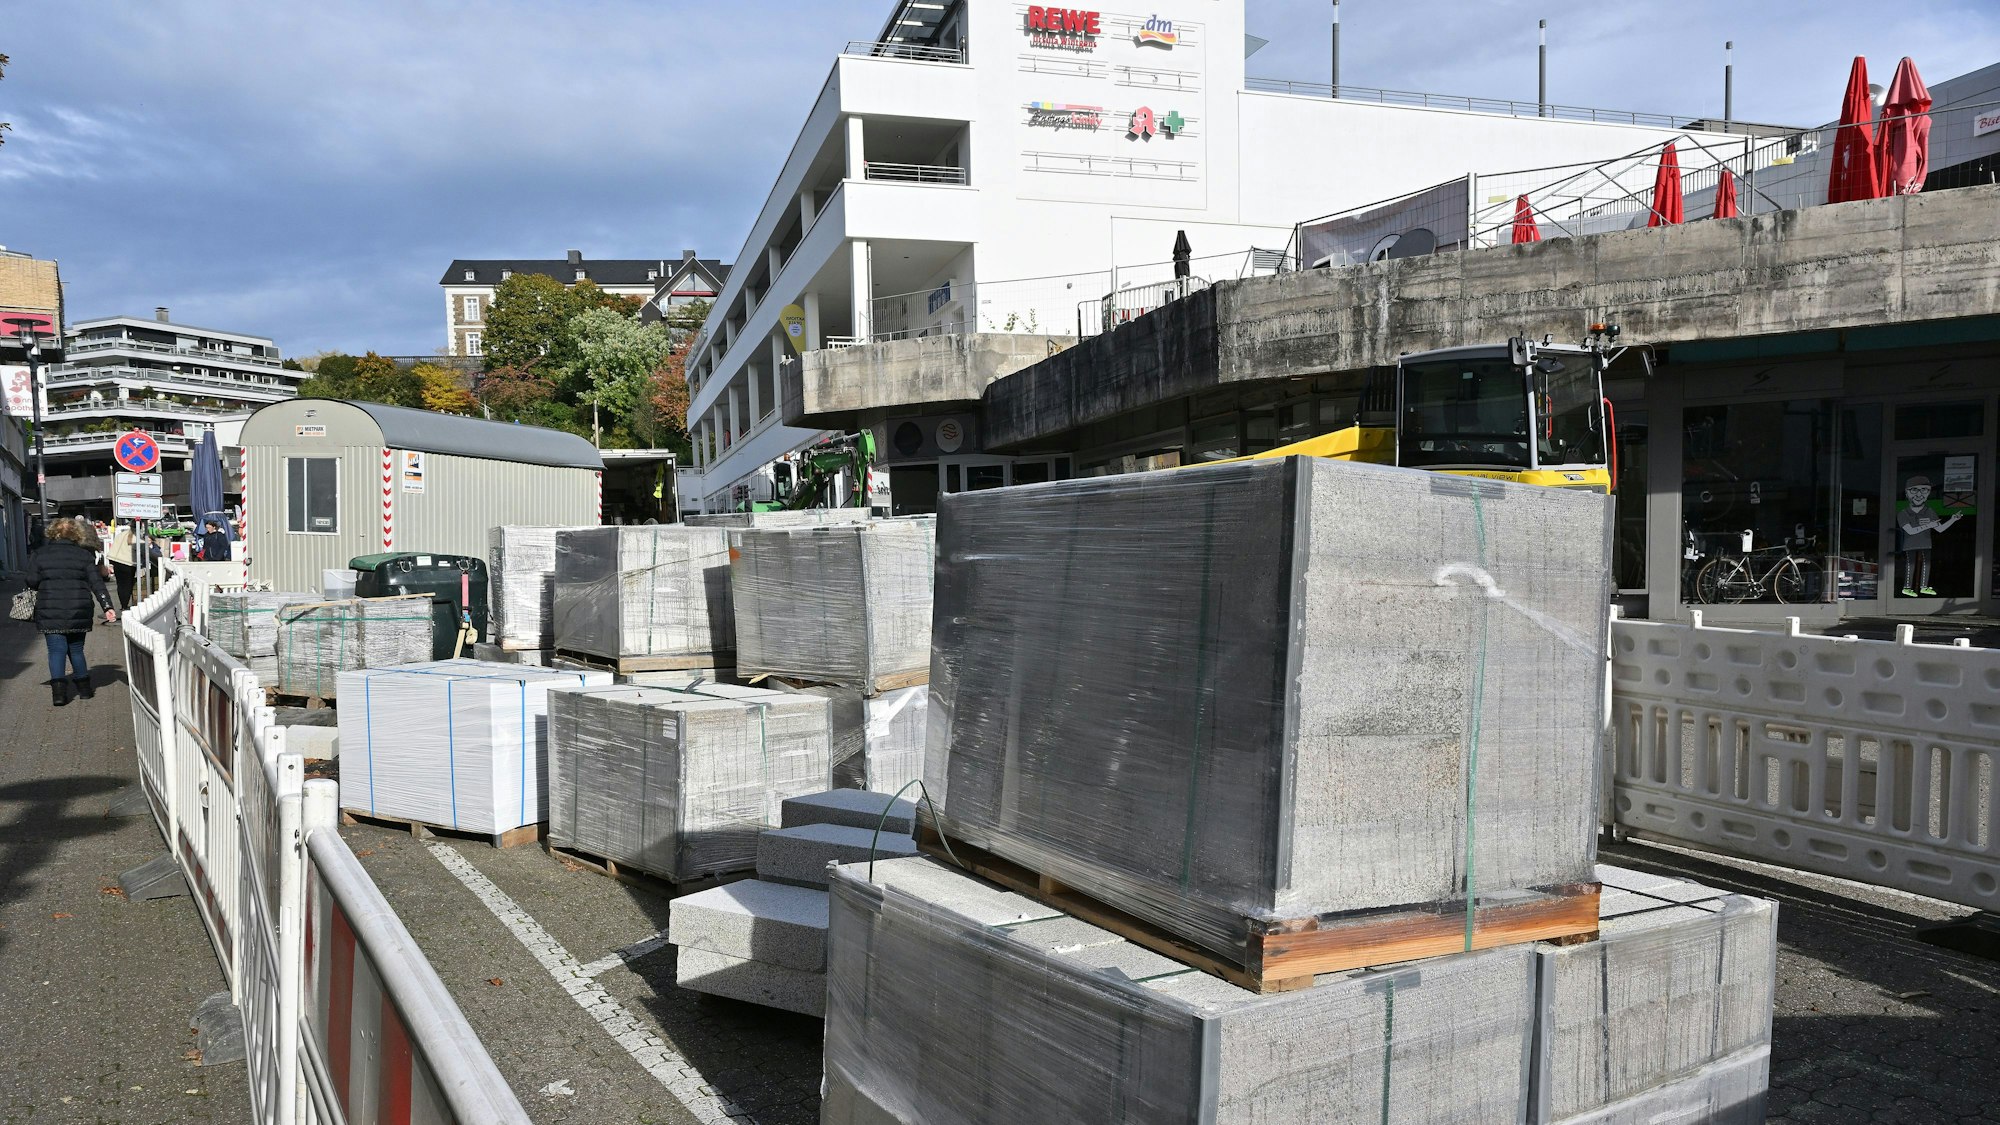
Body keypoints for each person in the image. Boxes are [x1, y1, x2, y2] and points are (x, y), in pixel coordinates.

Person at [24, 517, 117, 707]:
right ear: (76, 534)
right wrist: (108, 606)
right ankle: (84, 691)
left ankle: (58, 695)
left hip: (50, 609)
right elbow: (97, 583)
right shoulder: (84, 556)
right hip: (79, 609)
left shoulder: (40, 554)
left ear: (52, 533)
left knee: (56, 651)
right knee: (76, 650)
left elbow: (31, 581)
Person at [106, 522, 139, 609]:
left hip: (116, 561)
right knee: (128, 584)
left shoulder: (121, 535)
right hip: (128, 563)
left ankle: (123, 604)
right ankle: (125, 605)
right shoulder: (137, 537)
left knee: (120, 585)